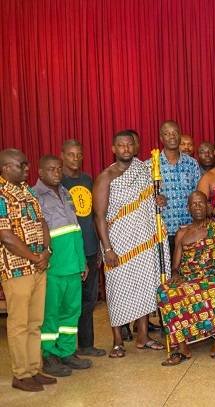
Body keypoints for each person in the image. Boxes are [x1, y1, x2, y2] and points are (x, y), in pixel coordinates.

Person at [93, 130, 168, 358]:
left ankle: (143, 336)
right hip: (118, 242)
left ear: (135, 147)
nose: (126, 149)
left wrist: (159, 200)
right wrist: (107, 249)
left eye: (129, 145)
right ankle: (117, 341)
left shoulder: (144, 170)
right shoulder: (106, 176)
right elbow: (99, 216)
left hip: (144, 239)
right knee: (118, 289)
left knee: (145, 287)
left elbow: (153, 200)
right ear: (114, 149)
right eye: (121, 145)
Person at [158, 191, 215, 365]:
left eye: (201, 203)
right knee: (165, 292)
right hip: (188, 278)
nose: (197, 207)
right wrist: (176, 275)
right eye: (194, 204)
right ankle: (182, 348)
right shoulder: (182, 233)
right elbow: (175, 266)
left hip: (212, 276)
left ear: (208, 207)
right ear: (188, 208)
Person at [0, 148, 54, 392]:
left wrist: (46, 251)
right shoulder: (1, 195)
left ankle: (34, 369)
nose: (27, 168)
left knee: (35, 322)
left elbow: (42, 222)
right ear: (5, 168)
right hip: (17, 269)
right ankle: (21, 375)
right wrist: (34, 257)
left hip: (38, 265)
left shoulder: (27, 190)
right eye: (21, 165)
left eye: (26, 164)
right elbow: (5, 236)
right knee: (19, 324)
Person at [34, 155, 92, 377]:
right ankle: (49, 354)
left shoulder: (66, 192)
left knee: (71, 311)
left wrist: (82, 261)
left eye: (59, 169)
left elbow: (75, 229)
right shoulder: (35, 196)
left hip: (73, 265)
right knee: (51, 313)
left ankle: (67, 351)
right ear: (40, 173)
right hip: (54, 267)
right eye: (51, 169)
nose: (57, 173)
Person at [60, 139, 105, 357]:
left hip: (90, 248)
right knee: (70, 302)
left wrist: (98, 245)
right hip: (69, 253)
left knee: (89, 300)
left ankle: (86, 345)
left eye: (79, 154)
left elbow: (93, 215)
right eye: (71, 154)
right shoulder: (57, 181)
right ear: (62, 156)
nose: (75, 158)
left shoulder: (87, 179)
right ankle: (66, 349)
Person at [151, 120, 200, 253]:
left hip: (189, 229)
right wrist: (155, 199)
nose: (172, 136)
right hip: (161, 232)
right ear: (161, 138)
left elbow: (199, 194)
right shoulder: (151, 165)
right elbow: (143, 200)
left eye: (175, 133)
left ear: (180, 135)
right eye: (167, 133)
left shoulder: (192, 164)